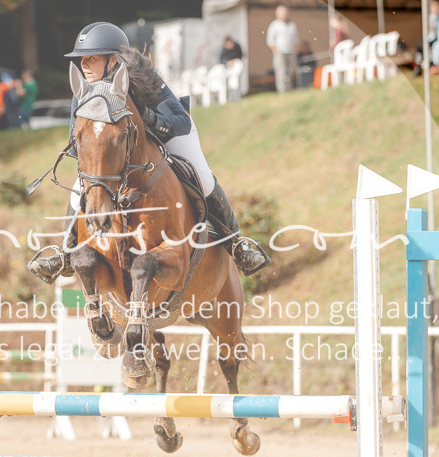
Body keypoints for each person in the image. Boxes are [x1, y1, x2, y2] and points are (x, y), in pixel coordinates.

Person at [27, 21, 270, 284]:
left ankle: (237, 244)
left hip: (167, 134)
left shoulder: (142, 75)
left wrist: (148, 118)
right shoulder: (85, 90)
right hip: (119, 151)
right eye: (82, 59)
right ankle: (65, 252)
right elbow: (77, 138)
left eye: (91, 58)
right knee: (82, 187)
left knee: (203, 175)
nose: (84, 65)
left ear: (113, 61)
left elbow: (180, 121)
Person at [266, 5, 299, 93]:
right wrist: (276, 51)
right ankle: (282, 91)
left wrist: (295, 50)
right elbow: (270, 40)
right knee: (281, 72)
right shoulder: (274, 25)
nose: (284, 15)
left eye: (285, 13)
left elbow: (296, 39)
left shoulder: (292, 25)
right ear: (277, 14)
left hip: (291, 52)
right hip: (280, 52)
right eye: (282, 13)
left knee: (290, 72)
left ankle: (289, 90)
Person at [414, 0, 439, 76]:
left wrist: (435, 40)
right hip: (434, 37)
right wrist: (428, 40)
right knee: (420, 45)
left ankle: (431, 65)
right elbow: (432, 31)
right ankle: (418, 66)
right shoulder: (432, 16)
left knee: (432, 46)